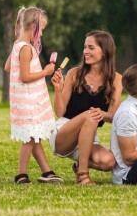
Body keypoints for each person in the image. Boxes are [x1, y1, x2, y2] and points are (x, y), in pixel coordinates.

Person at [49, 30, 122, 185]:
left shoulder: (117, 79)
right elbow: (60, 112)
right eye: (85, 47)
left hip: (89, 135)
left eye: (91, 48)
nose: (85, 52)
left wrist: (102, 113)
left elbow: (113, 116)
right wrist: (57, 89)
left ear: (105, 51)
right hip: (64, 133)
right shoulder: (74, 74)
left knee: (108, 162)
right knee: (90, 115)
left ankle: (78, 165)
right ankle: (83, 175)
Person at [6, 6, 62, 184]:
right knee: (30, 138)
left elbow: (8, 67)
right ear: (33, 27)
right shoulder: (26, 49)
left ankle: (47, 172)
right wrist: (45, 72)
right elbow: (24, 76)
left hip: (25, 100)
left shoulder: (18, 45)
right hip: (28, 101)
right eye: (41, 30)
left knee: (35, 136)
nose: (42, 35)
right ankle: (21, 174)